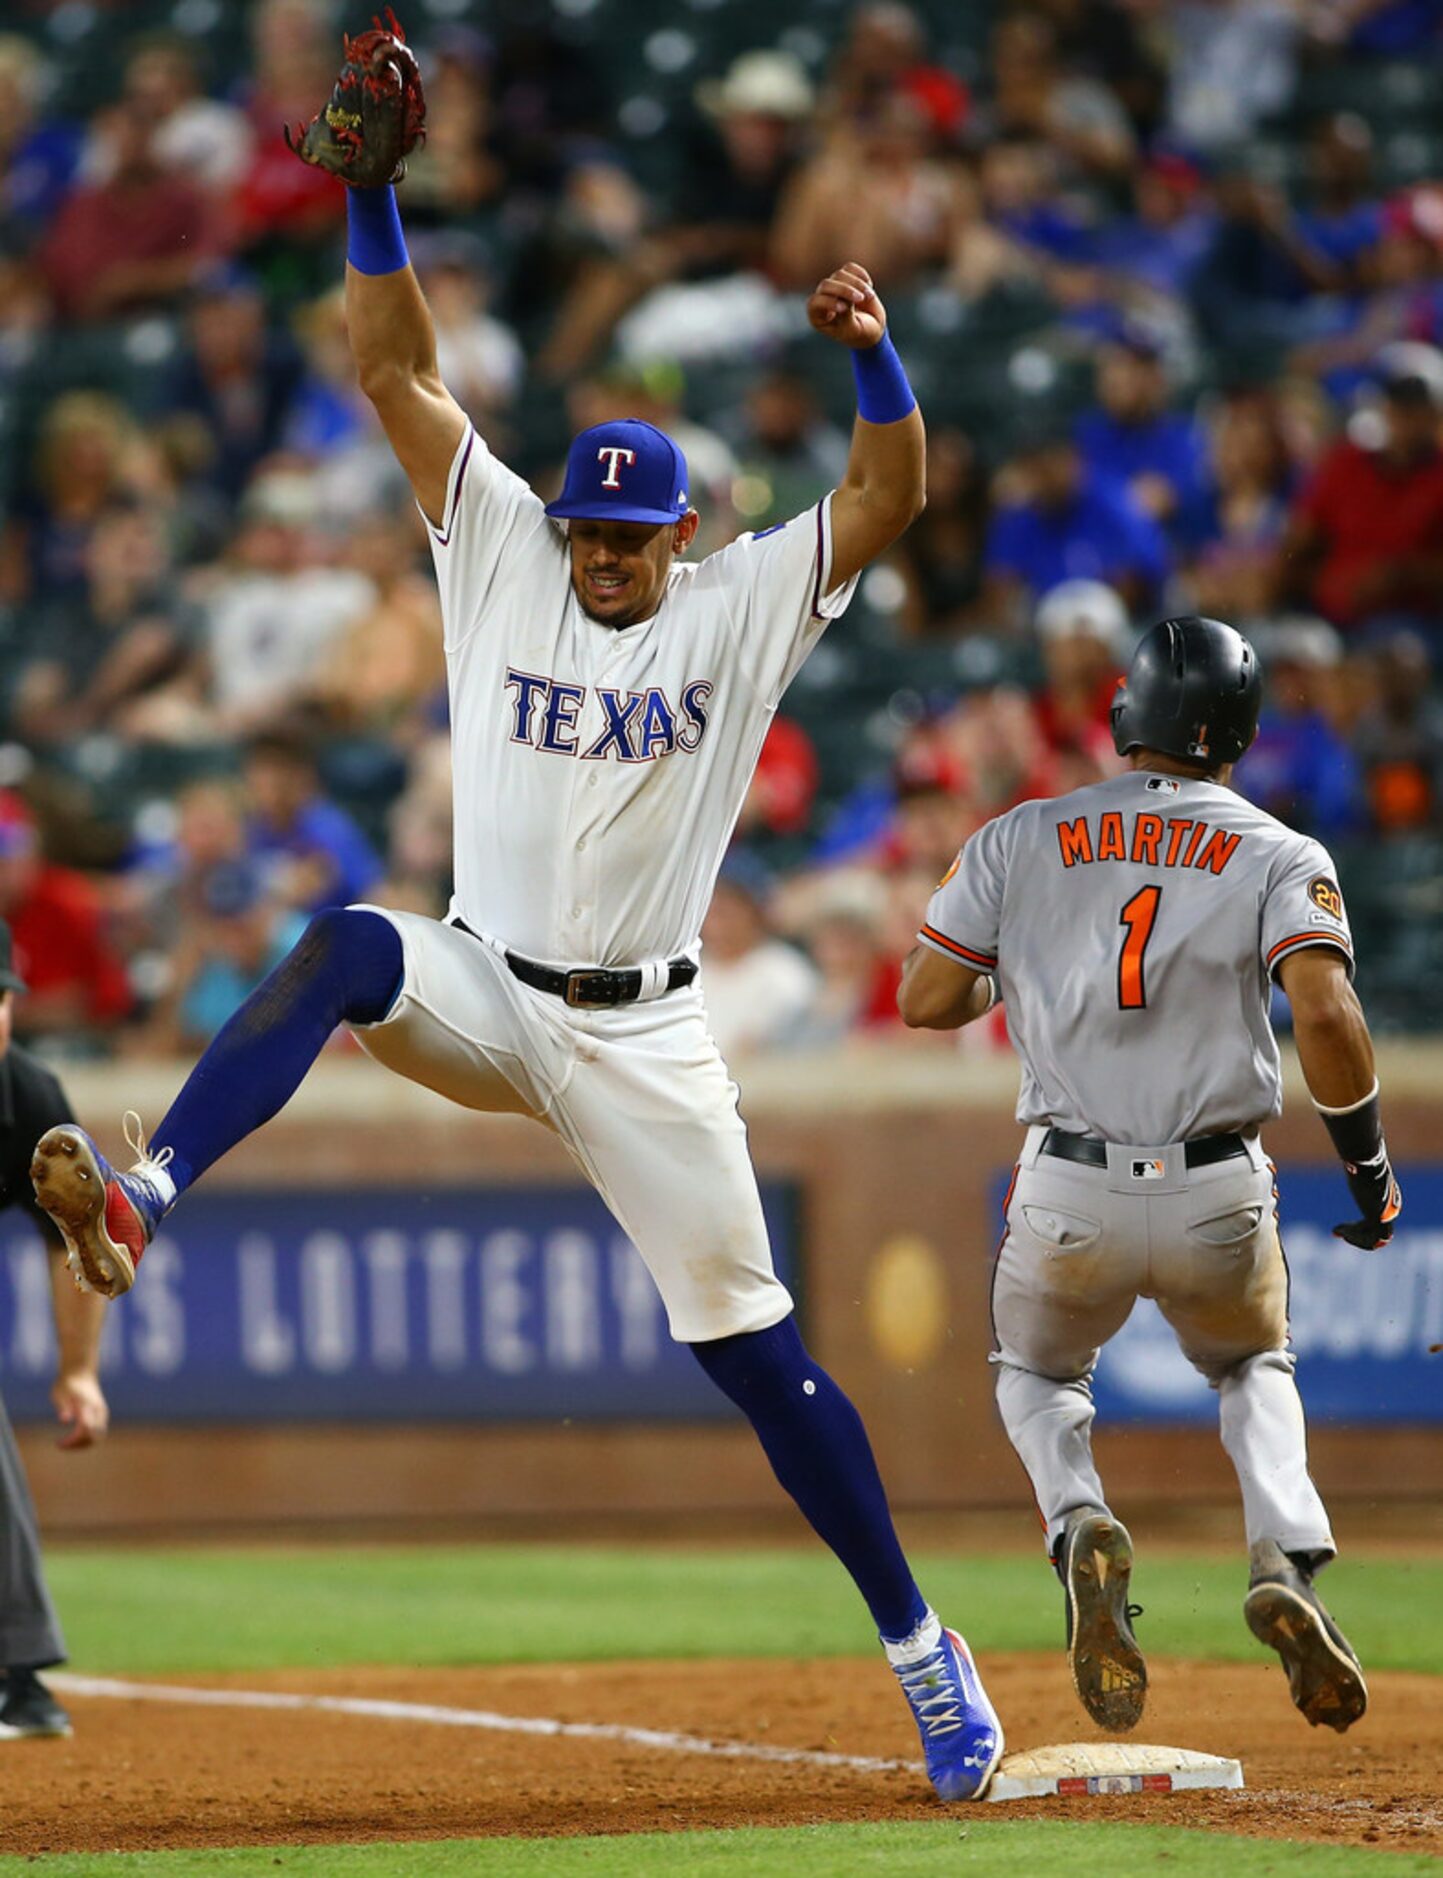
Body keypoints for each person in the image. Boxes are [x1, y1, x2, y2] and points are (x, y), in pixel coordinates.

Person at [30, 44, 1003, 1804]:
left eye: (631, 532)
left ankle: (924, 1655)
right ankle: (148, 1191)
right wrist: (369, 194)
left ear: (677, 528)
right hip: (487, 976)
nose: (605, 552)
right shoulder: (495, 551)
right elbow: (396, 366)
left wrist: (873, 361)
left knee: (761, 1365)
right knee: (342, 939)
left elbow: (887, 498)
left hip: (644, 1032)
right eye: (588, 527)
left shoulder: (736, 602)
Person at [899, 615, 1398, 1738]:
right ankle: (1283, 1561)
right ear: (1241, 729)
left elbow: (926, 998)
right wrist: (1366, 1165)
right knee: (1253, 1364)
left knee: (1034, 1373)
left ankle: (1079, 1521)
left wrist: (1015, 978)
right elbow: (1324, 1010)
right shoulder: (1279, 850)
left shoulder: (1021, 835)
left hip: (1067, 1188)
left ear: (1126, 715)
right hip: (1220, 1187)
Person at [0, 919, 109, 1739]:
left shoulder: (28, 1098)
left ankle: (21, 1678)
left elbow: (76, 1235)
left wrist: (78, 1371)